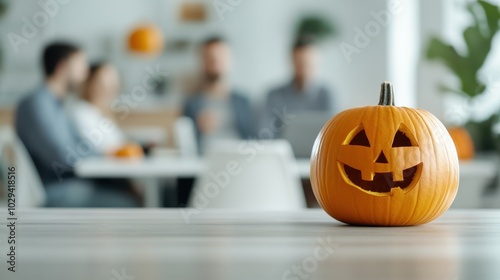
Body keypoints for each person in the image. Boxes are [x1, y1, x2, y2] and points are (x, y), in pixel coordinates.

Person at [15, 42, 138, 207]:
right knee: (127, 202)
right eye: (80, 65)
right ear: (62, 67)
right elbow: (62, 156)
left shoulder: (58, 104)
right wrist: (101, 155)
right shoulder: (37, 104)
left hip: (69, 183)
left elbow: (80, 145)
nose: (86, 72)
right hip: (53, 188)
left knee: (126, 189)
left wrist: (101, 154)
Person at [183, 36, 255, 151]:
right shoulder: (191, 103)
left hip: (240, 161)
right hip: (204, 163)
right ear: (202, 62)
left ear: (230, 60)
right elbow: (185, 144)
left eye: (221, 58)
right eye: (210, 58)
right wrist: (198, 128)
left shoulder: (244, 101)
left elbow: (255, 138)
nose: (216, 63)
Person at [264, 37, 335, 138]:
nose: (305, 70)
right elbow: (265, 133)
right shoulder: (274, 95)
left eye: (309, 64)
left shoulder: (327, 94)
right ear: (292, 61)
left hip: (320, 151)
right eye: (300, 64)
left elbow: (333, 132)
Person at [67, 63, 126, 154]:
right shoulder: (81, 111)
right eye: (103, 83)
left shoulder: (99, 111)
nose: (111, 88)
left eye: (113, 83)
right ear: (89, 83)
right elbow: (102, 149)